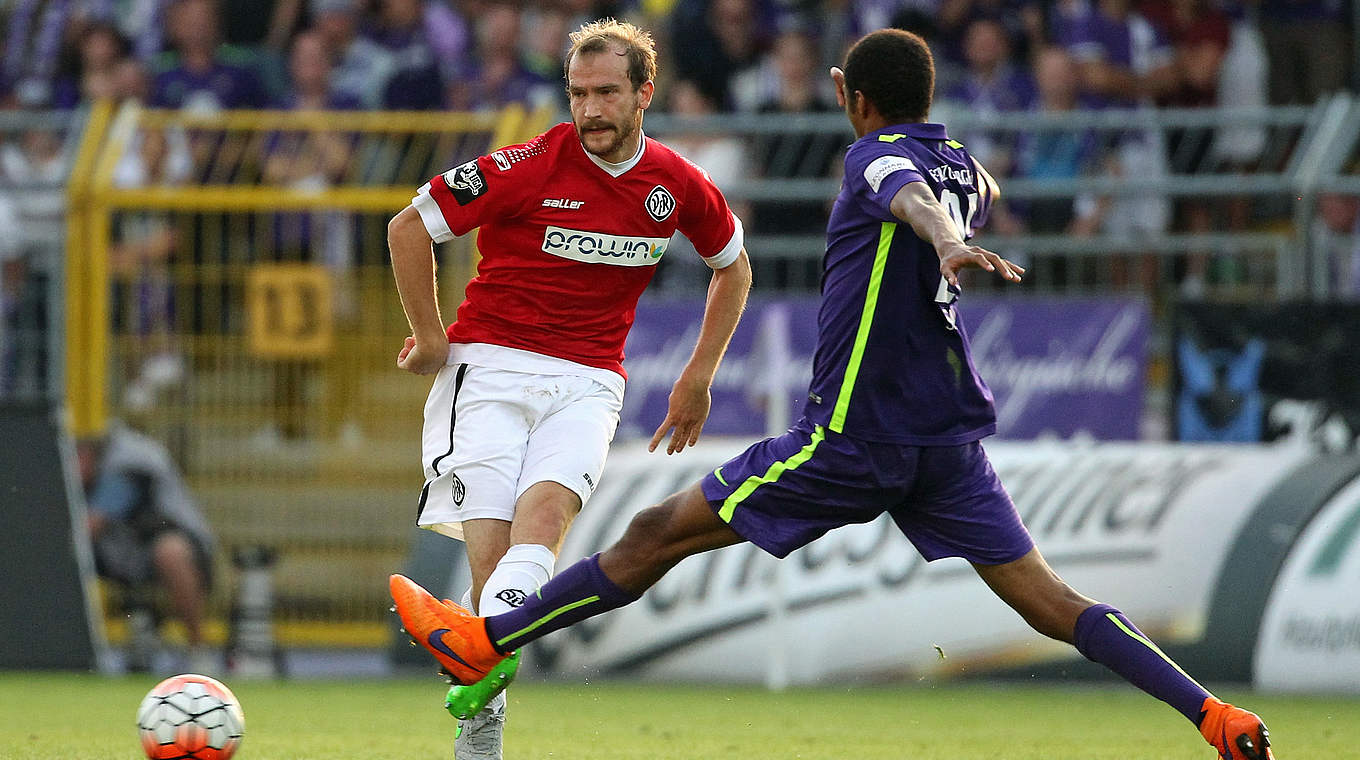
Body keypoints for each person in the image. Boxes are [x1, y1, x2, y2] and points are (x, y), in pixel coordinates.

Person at [391, 28, 1277, 760]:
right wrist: (955, 225)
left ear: (853, 98)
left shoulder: (872, 160)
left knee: (654, 535)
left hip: (854, 435)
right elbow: (953, 183)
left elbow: (904, 191)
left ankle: (483, 640)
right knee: (1052, 602)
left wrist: (938, 234)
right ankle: (1214, 717)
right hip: (947, 442)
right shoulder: (965, 159)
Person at [385, 18, 751, 760]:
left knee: (544, 524)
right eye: (578, 94)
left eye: (607, 93)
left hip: (587, 380)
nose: (589, 110)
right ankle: (482, 718)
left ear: (644, 94)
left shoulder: (676, 184)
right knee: (492, 565)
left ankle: (476, 687)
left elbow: (732, 266)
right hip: (486, 369)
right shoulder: (527, 164)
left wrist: (699, 375)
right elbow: (408, 227)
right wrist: (429, 336)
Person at [77, 423, 216, 673]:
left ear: (87, 454)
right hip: (125, 553)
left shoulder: (132, 461)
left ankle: (198, 651)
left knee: (169, 551)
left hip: (180, 548)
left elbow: (91, 525)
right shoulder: (92, 470)